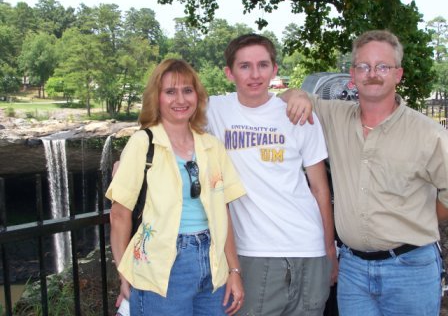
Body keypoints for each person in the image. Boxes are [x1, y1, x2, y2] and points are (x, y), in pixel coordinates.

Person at [284, 29, 448, 315]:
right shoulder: (333, 116)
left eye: (383, 66)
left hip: (410, 270)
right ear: (353, 74)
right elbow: (287, 96)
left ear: (398, 74)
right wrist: (298, 95)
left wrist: (415, 219)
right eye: (364, 66)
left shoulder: (429, 134)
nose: (373, 73)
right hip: (354, 271)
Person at [207, 34, 338, 316]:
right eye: (244, 66)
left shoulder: (299, 114)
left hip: (309, 248)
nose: (255, 75)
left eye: (263, 65)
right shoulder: (214, 110)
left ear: (275, 69)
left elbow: (319, 188)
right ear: (229, 72)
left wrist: (329, 248)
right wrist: (132, 158)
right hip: (254, 252)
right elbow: (167, 113)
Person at [106, 59, 246, 316]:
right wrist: (123, 273)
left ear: (197, 96)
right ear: (156, 98)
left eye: (187, 91)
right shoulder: (142, 143)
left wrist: (233, 271)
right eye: (170, 91)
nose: (180, 99)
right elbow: (119, 215)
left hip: (212, 263)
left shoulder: (212, 146)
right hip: (162, 265)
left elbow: (223, 211)